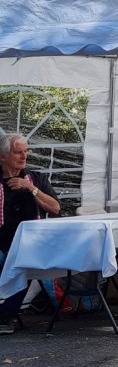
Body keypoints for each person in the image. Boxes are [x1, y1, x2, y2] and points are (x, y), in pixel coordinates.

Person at [0, 133, 61, 334]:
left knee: (23, 262)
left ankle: (5, 316)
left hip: (30, 243)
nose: (24, 156)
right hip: (2, 242)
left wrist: (30, 189)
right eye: (18, 152)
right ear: (3, 156)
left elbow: (55, 208)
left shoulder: (34, 178)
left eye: (25, 152)